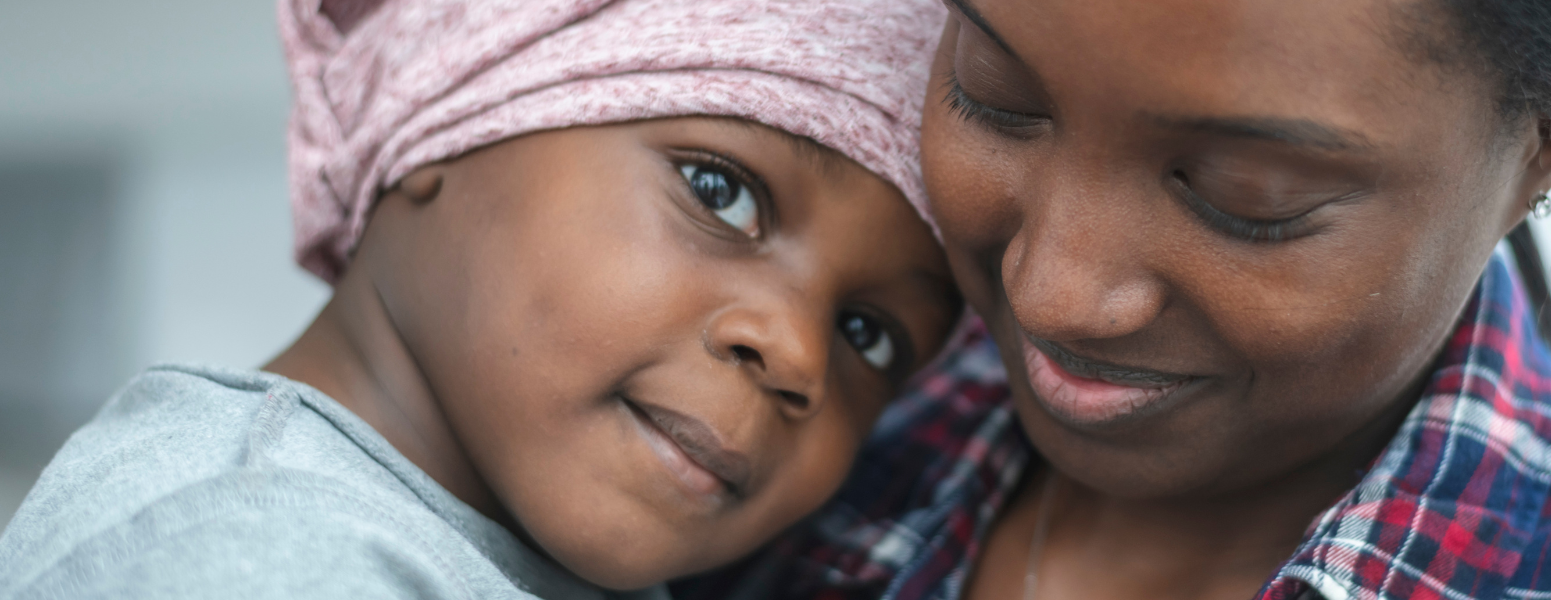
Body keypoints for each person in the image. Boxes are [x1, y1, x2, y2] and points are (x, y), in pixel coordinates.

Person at [678, 0, 1551, 599]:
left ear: (1544, 153)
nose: (1055, 289)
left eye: (1248, 197)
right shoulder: (796, 433)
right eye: (994, 97)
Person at [0, 0, 959, 597]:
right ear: (446, 106)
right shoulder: (264, 555)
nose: (797, 353)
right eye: (720, 192)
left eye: (868, 334)